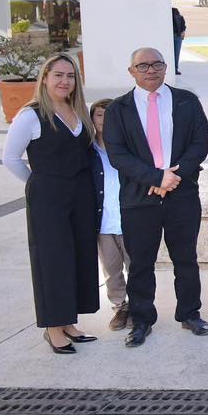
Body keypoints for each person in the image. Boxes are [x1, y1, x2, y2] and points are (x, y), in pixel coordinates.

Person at [104, 47, 208, 348]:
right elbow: (117, 154)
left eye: (157, 64)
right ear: (131, 71)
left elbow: (199, 142)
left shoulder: (186, 101)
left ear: (166, 68)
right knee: (140, 263)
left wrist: (173, 177)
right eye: (143, 65)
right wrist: (156, 178)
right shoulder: (118, 109)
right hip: (139, 199)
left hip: (182, 195)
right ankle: (141, 321)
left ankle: (190, 314)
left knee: (186, 259)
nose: (150, 70)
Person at [1, 53, 100, 354]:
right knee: (52, 260)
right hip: (49, 197)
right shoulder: (31, 115)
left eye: (70, 76)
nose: (64, 81)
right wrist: (39, 183)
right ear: (45, 78)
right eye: (58, 75)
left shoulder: (77, 111)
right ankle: (53, 327)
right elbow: (10, 158)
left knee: (79, 256)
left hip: (81, 195)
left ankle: (69, 321)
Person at [88, 99, 131, 331]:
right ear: (92, 119)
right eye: (99, 115)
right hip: (104, 222)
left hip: (128, 219)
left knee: (135, 266)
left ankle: (139, 305)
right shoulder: (89, 150)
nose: (104, 120)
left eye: (109, 115)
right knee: (111, 270)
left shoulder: (128, 147)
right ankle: (120, 308)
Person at [171, 6, 187, 75]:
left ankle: (174, 69)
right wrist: (183, 33)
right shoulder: (179, 16)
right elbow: (183, 26)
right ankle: (175, 69)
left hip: (176, 36)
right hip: (178, 36)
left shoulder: (173, 14)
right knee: (176, 54)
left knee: (174, 54)